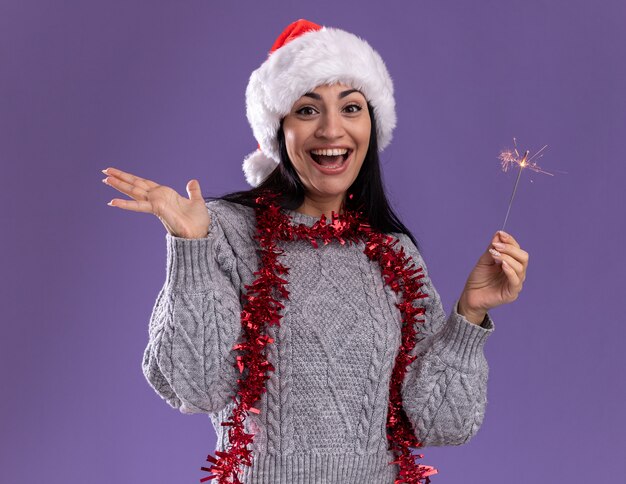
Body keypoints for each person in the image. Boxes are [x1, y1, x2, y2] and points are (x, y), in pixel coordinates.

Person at [101, 19, 529, 484]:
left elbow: (440, 424)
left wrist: (469, 316)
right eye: (307, 110)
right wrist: (191, 250)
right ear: (277, 129)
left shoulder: (393, 253)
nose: (331, 129)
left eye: (350, 108)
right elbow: (198, 388)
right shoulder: (221, 231)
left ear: (371, 124)